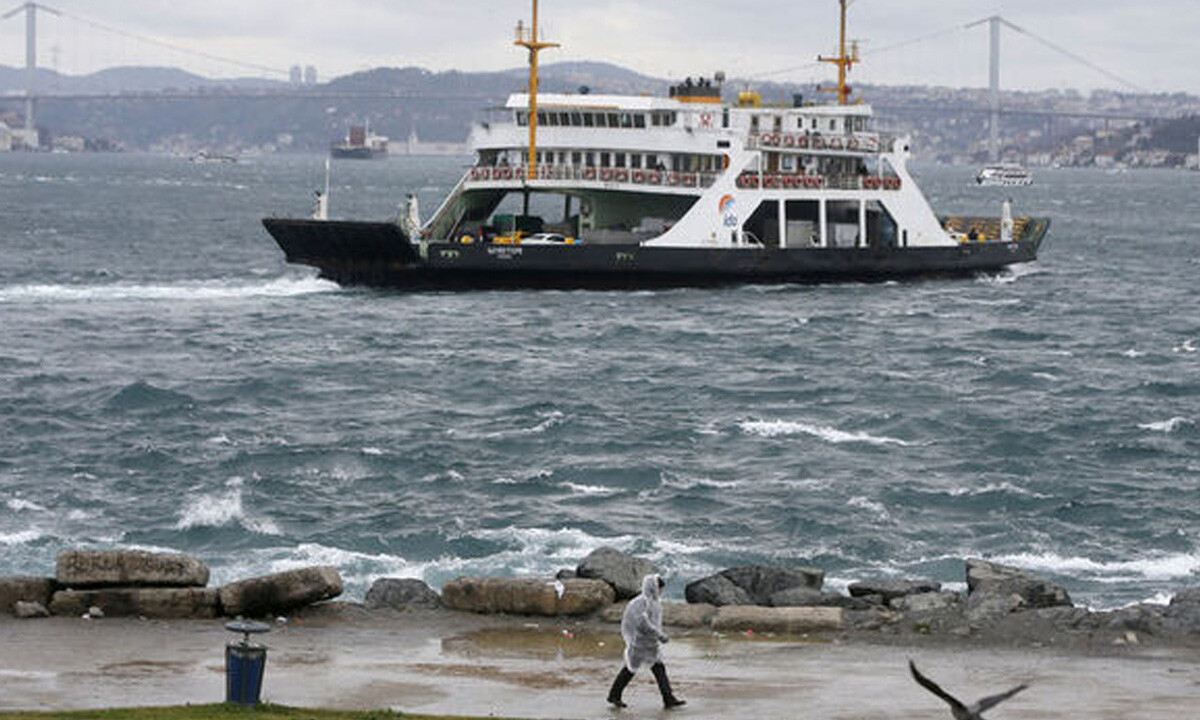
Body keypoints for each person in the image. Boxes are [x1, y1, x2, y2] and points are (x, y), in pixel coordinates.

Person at [606, 574, 685, 709]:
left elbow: (652, 622)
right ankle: (614, 695)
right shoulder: (641, 602)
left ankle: (668, 698)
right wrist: (659, 635)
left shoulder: (654, 602)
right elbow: (643, 623)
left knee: (655, 668)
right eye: (660, 589)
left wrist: (657, 636)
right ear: (654, 587)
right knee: (631, 669)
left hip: (649, 643)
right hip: (640, 643)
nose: (661, 592)